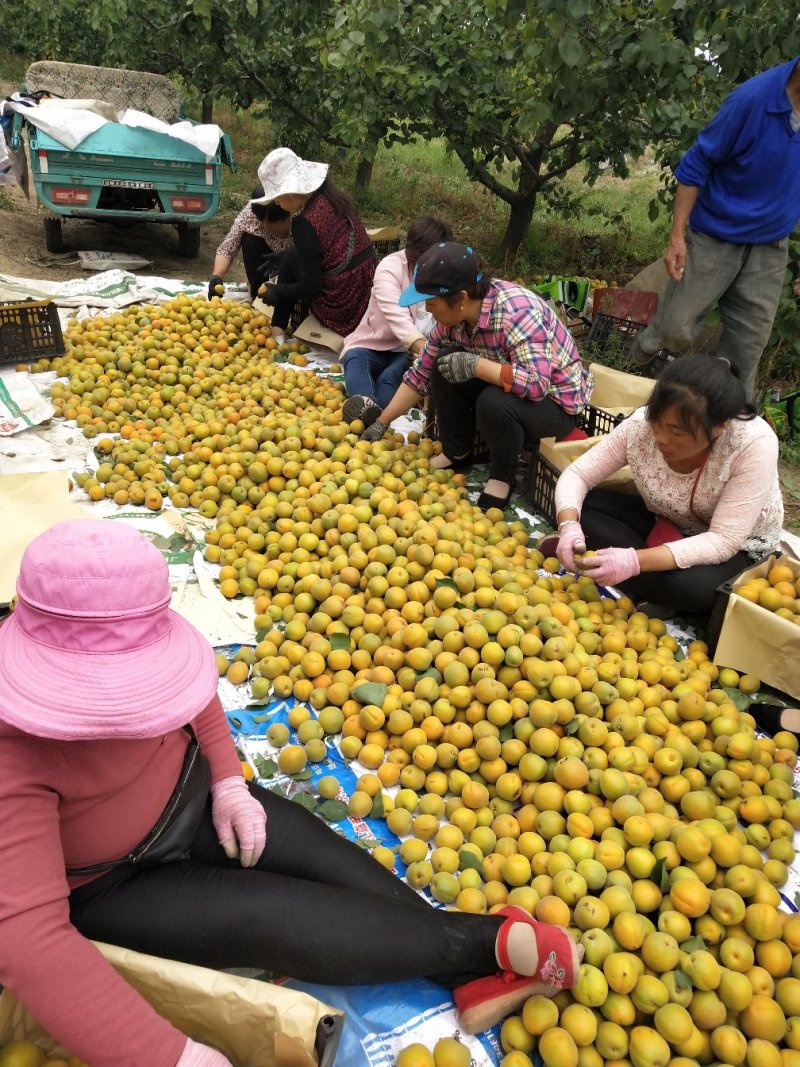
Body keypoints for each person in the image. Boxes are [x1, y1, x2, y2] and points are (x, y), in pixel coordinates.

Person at [0, 520, 581, 1067]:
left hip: (194, 802)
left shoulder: (156, 651)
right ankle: (485, 946)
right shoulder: (11, 741)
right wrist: (173, 1057)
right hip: (115, 883)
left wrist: (227, 781)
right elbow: (29, 941)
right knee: (266, 917)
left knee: (320, 854)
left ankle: (468, 967)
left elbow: (194, 687)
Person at [360, 242, 593, 511]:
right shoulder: (452, 321)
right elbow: (421, 373)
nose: (428, 311)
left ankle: (502, 475)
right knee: (443, 363)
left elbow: (537, 384)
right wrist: (381, 422)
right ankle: (456, 451)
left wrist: (477, 366)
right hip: (508, 382)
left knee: (493, 401)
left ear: (460, 299)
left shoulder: (517, 313)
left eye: (432, 304)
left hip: (555, 404)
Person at [548, 355, 783, 614]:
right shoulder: (640, 426)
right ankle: (651, 587)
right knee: (582, 508)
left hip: (732, 545)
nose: (661, 438)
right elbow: (579, 474)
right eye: (656, 422)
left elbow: (722, 541)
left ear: (719, 427)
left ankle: (639, 581)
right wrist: (569, 526)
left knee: (695, 589)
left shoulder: (752, 445)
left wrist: (634, 561)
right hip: (668, 522)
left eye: (678, 432)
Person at [632, 56, 800, 399]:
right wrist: (677, 236)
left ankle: (731, 426)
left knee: (747, 349)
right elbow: (696, 165)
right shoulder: (751, 100)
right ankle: (630, 371)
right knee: (674, 329)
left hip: (770, 246)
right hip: (715, 235)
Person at [252, 147, 376, 343]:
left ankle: (277, 332)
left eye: (277, 195)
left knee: (291, 259)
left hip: (343, 303)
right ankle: (278, 328)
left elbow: (311, 286)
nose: (276, 202)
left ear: (292, 190)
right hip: (366, 293)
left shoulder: (305, 222)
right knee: (291, 256)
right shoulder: (334, 199)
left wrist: (278, 292)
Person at [341, 216, 453, 424]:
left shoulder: (444, 275)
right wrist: (425, 350)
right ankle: (364, 409)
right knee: (355, 361)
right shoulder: (391, 267)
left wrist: (424, 355)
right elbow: (396, 314)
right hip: (371, 345)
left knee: (390, 379)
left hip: (407, 354)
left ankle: (373, 417)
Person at [208, 187, 292, 300]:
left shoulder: (299, 212)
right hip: (267, 260)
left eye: (272, 222)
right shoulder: (250, 213)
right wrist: (216, 277)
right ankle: (258, 296)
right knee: (249, 239)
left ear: (287, 214)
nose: (266, 226)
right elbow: (228, 247)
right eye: (261, 220)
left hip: (297, 264)